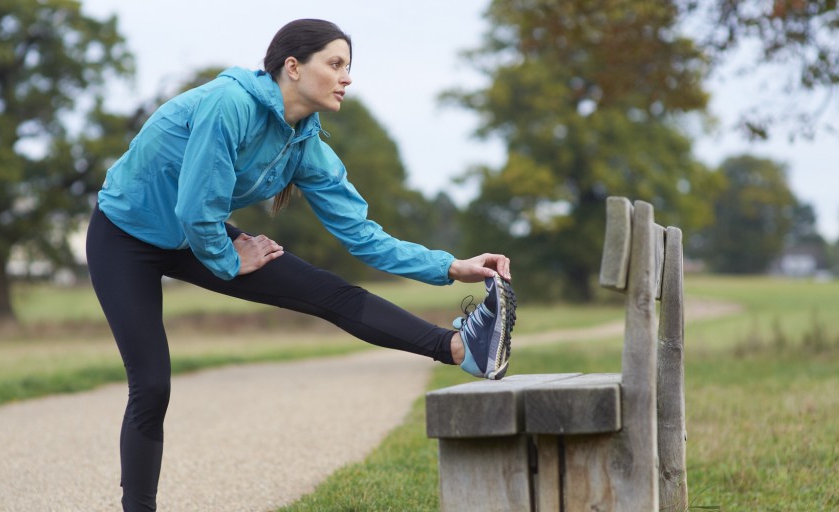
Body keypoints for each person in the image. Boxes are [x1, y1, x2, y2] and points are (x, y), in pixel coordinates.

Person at [85, 18, 517, 511]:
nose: (346, 77)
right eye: (335, 64)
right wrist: (230, 259)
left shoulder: (305, 144)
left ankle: (462, 347)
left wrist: (449, 267)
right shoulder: (230, 106)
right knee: (152, 381)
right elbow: (193, 209)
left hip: (196, 234)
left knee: (327, 290)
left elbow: (362, 235)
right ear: (293, 67)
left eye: (348, 67)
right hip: (124, 235)